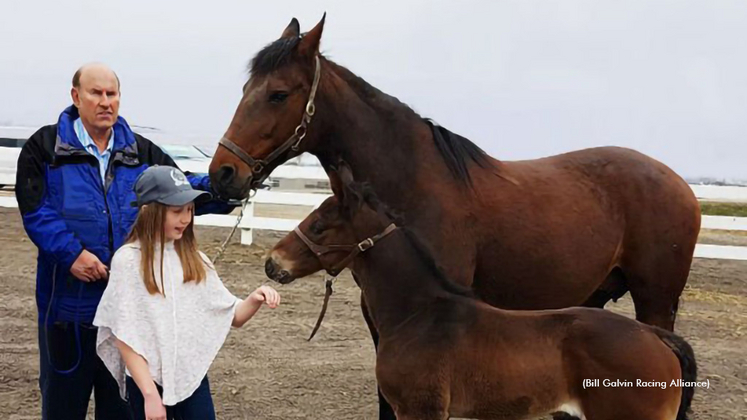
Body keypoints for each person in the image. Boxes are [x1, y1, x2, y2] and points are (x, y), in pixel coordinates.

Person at [14, 63, 236, 419]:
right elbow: (36, 211)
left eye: (112, 94)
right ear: (76, 96)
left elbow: (179, 188)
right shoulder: (44, 148)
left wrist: (226, 188)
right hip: (69, 308)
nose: (105, 102)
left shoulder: (142, 152)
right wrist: (71, 254)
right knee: (62, 405)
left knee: (119, 409)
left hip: (132, 316)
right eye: (96, 93)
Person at [94, 165, 280, 420]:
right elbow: (124, 335)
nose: (186, 219)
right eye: (177, 211)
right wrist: (150, 395)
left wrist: (255, 298)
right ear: (149, 212)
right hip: (146, 382)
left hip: (190, 380)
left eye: (190, 210)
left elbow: (233, 315)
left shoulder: (195, 260)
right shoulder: (128, 261)